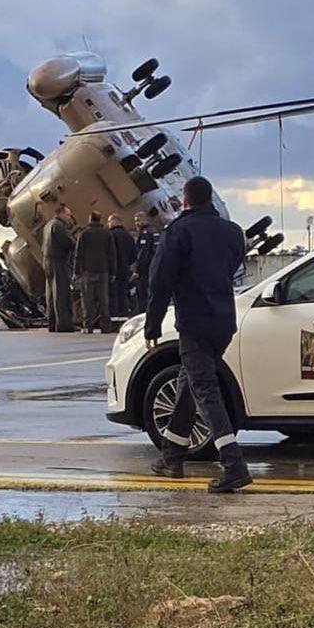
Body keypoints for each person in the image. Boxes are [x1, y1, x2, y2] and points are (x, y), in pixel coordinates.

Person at [144, 176, 251, 493]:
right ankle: (172, 455)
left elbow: (160, 282)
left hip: (194, 323)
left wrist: (152, 325)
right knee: (189, 382)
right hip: (224, 323)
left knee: (204, 389)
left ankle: (234, 464)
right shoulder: (233, 232)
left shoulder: (178, 232)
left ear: (185, 201)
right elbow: (231, 267)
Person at [74, 210, 116, 333]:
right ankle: (106, 327)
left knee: (88, 300)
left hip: (87, 271)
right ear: (100, 219)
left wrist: (76, 272)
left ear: (90, 219)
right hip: (103, 270)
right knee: (103, 300)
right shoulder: (107, 234)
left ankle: (88, 326)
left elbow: (79, 254)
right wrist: (112, 272)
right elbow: (112, 254)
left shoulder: (84, 234)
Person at [42, 203, 75, 332]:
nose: (69, 217)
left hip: (48, 261)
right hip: (58, 261)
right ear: (60, 214)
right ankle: (63, 325)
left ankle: (52, 323)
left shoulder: (48, 225)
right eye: (68, 215)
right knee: (61, 293)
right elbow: (68, 242)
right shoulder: (59, 226)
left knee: (50, 294)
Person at [108, 214, 137, 317]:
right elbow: (134, 255)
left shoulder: (110, 235)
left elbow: (108, 253)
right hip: (125, 270)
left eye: (109, 221)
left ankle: (114, 318)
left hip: (113, 271)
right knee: (124, 294)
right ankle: (124, 317)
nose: (108, 224)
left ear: (115, 221)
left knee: (113, 296)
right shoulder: (128, 236)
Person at [134, 210, 158, 313]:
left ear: (143, 220)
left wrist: (137, 270)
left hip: (146, 269)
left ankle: (144, 316)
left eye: (137, 220)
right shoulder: (155, 231)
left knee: (142, 295)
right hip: (155, 267)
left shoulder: (145, 233)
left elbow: (143, 253)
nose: (136, 223)